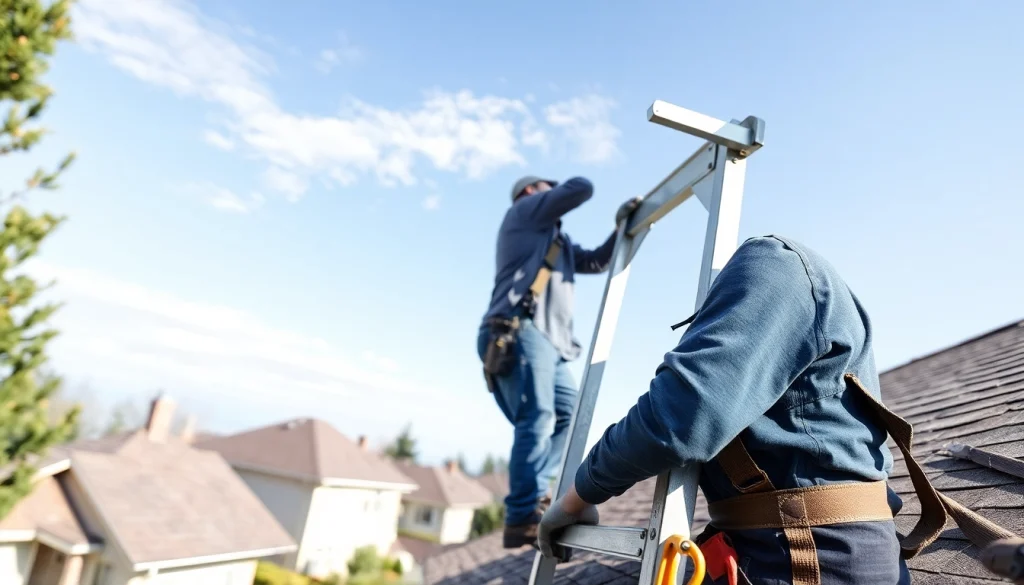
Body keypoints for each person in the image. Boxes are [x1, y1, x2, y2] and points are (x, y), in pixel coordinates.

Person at [536, 234, 915, 584]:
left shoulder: (773, 264)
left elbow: (678, 417)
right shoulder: (775, 283)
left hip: (814, 553)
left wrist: (574, 498)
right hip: (787, 548)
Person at [477, 175, 641, 549]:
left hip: (548, 343)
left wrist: (621, 228)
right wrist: (558, 189)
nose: (552, 191)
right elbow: (582, 187)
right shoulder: (523, 211)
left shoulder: (556, 242)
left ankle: (535, 494)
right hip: (520, 329)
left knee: (571, 415)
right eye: (545, 186)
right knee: (537, 417)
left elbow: (598, 261)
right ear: (531, 192)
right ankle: (520, 515)